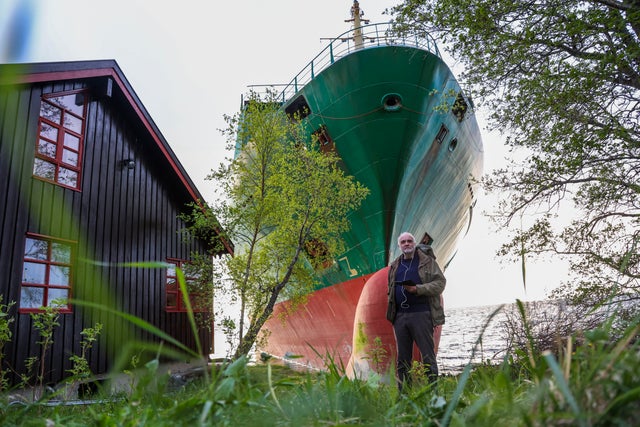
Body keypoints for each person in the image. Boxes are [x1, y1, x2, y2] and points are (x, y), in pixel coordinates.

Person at [386, 231, 446, 390]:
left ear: (414, 243)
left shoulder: (427, 261)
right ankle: (404, 396)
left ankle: (434, 393)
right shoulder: (394, 266)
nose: (407, 244)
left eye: (410, 241)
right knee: (402, 359)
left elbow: (440, 283)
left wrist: (418, 289)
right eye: (403, 242)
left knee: (428, 355)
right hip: (400, 317)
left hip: (421, 315)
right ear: (399, 246)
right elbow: (390, 289)